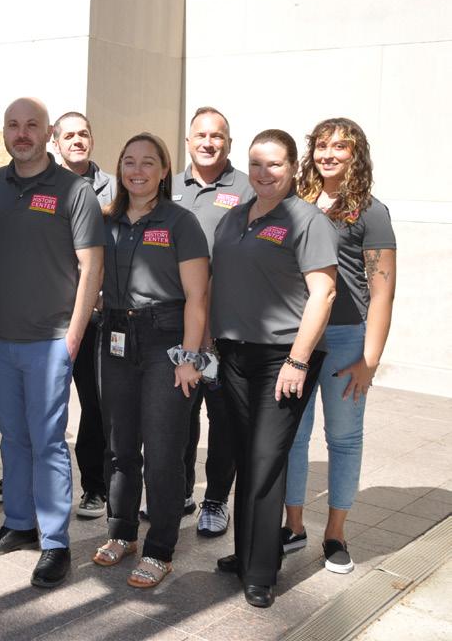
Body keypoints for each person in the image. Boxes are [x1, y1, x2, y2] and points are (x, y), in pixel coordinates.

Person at [0, 97, 104, 590]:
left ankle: (55, 542)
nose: (21, 133)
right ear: (4, 132)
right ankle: (20, 523)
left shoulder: (75, 190)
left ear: (48, 134)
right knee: (13, 436)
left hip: (50, 341)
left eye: (32, 125)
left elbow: (92, 266)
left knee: (47, 441)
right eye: (13, 125)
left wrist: (74, 334)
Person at [212, 129, 338, 609]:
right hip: (234, 353)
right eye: (256, 164)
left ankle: (262, 570)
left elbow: (324, 292)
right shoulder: (235, 217)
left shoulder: (307, 220)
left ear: (292, 167)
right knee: (248, 454)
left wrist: (298, 360)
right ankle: (247, 552)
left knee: (267, 457)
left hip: (283, 358)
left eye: (275, 164)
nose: (264, 173)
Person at [92, 133, 209, 589]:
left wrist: (190, 358)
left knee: (162, 452)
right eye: (128, 161)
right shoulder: (106, 221)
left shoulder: (181, 222)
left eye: (147, 162)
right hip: (115, 336)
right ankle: (122, 532)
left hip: (166, 340)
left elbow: (198, 297)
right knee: (119, 446)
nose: (136, 170)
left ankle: (160, 549)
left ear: (164, 172)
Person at [282, 119, 396, 576]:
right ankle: (293, 526)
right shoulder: (296, 202)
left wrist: (370, 361)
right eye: (322, 146)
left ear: (356, 154)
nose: (329, 154)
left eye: (340, 147)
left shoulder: (371, 211)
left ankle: (335, 534)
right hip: (298, 336)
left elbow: (382, 291)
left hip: (348, 338)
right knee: (293, 434)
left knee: (344, 439)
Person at [170, 107, 255, 537]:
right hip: (178, 325)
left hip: (227, 330)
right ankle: (180, 491)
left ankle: (216, 499)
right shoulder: (168, 186)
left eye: (217, 136)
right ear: (188, 141)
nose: (208, 143)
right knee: (180, 414)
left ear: (229, 143)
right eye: (200, 135)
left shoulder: (247, 188)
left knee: (223, 419)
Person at [46, 110, 114, 519]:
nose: (77, 141)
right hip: (51, 314)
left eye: (83, 134)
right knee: (44, 401)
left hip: (95, 317)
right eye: (68, 135)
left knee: (95, 403)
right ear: (55, 142)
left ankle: (94, 485)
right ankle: (30, 473)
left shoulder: (113, 188)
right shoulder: (44, 185)